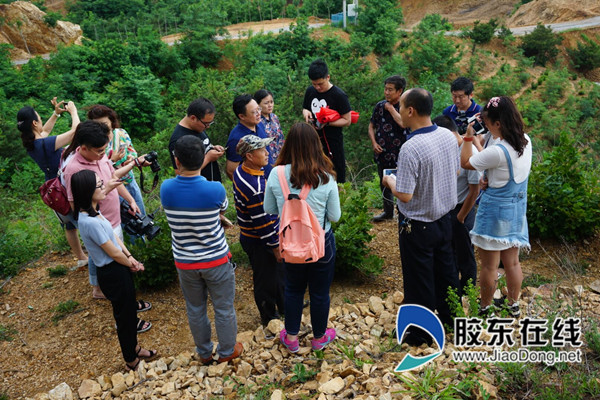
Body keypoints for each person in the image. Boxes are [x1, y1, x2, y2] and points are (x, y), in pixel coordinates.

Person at [382, 88, 460, 346]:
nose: (399, 111)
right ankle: (452, 319)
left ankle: (421, 333)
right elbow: (456, 170)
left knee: (419, 278)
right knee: (446, 271)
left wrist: (389, 181)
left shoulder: (411, 148)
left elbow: (404, 194)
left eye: (401, 107)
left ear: (411, 110)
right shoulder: (448, 136)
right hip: (445, 218)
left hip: (418, 225)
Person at [161, 135, 242, 364]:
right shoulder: (215, 189)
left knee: (195, 308)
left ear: (176, 161)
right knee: (224, 307)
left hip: (185, 262)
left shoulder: (166, 189)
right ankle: (227, 351)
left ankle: (205, 352)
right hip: (215, 259)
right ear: (203, 159)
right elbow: (222, 210)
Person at [264, 122, 341, 353]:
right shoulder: (326, 177)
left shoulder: (276, 174)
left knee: (293, 289)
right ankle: (319, 338)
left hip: (290, 242)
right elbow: (334, 216)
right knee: (319, 292)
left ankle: (292, 338)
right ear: (316, 146)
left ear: (287, 145)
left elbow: (270, 208)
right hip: (320, 243)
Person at [70, 169, 156, 371]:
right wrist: (132, 264)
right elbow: (112, 252)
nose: (104, 188)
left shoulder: (94, 211)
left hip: (119, 268)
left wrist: (130, 257)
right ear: (87, 191)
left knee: (128, 314)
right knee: (124, 319)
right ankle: (131, 361)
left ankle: (135, 348)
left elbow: (115, 240)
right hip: (112, 273)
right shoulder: (88, 221)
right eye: (99, 186)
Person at [460, 96, 532, 317]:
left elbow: (465, 162)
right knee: (512, 262)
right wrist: (490, 177)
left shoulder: (498, 151)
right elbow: (506, 174)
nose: (487, 126)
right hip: (517, 210)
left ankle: (485, 307)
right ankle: (513, 305)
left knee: (490, 266)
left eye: (489, 122)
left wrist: (469, 137)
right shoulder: (526, 141)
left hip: (495, 212)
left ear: (498, 124)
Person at [62, 121, 145, 308]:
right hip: (100, 222)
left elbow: (113, 178)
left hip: (113, 220)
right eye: (100, 151)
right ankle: (107, 292)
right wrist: (105, 191)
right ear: (83, 148)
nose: (103, 155)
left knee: (114, 256)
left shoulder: (99, 157)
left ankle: (117, 291)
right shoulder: (73, 169)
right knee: (107, 260)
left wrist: (130, 200)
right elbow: (76, 204)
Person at [17, 98, 87, 268]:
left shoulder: (32, 144)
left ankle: (81, 257)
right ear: (34, 123)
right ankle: (98, 251)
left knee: (69, 224)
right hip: (64, 186)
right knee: (83, 219)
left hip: (52, 189)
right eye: (39, 118)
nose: (42, 121)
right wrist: (73, 111)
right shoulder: (45, 144)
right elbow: (76, 132)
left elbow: (45, 130)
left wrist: (55, 114)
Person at [232, 135, 284, 332]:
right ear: (250, 156)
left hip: (254, 237)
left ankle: (283, 305)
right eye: (262, 150)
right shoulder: (255, 187)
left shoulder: (242, 170)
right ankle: (269, 317)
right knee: (265, 280)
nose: (267, 153)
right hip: (260, 241)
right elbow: (263, 223)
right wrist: (275, 247)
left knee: (277, 275)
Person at [433, 115, 481, 295]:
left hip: (463, 209)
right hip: (447, 209)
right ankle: (452, 289)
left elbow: (474, 190)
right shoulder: (447, 150)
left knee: (465, 252)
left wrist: (461, 216)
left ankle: (468, 290)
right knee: (449, 250)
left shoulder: (470, 153)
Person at [87, 105, 151, 219]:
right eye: (97, 125)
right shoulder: (95, 144)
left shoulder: (121, 133)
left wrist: (131, 159)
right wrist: (112, 160)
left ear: (111, 122)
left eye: (104, 124)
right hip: (112, 188)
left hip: (130, 181)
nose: (102, 128)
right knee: (125, 219)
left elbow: (131, 150)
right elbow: (98, 168)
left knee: (140, 215)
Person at [302, 59, 351, 183]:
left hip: (333, 143)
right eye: (314, 84)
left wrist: (328, 123)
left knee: (336, 177)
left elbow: (347, 120)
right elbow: (306, 108)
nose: (317, 87)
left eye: (320, 84)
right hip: (313, 142)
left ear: (328, 77)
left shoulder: (339, 95)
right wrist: (306, 113)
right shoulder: (310, 91)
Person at [368, 75, 408, 222]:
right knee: (383, 182)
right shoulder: (379, 106)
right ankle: (388, 211)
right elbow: (371, 126)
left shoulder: (405, 106)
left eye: (390, 90)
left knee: (403, 182)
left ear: (400, 91)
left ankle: (404, 213)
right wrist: (373, 142)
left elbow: (404, 124)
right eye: (385, 89)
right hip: (383, 152)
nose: (387, 92)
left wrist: (391, 109)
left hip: (400, 153)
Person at [169, 98, 225, 181]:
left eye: (210, 123)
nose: (208, 126)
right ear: (193, 118)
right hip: (199, 190)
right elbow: (181, 173)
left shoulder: (197, 127)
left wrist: (213, 148)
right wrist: (208, 158)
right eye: (206, 124)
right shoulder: (178, 139)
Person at [226, 94, 275, 180]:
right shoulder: (236, 138)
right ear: (241, 116)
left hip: (270, 179)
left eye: (258, 109)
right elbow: (231, 170)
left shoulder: (259, 124)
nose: (259, 113)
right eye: (254, 112)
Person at [254, 89, 285, 161]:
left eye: (271, 102)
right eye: (266, 103)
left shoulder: (274, 117)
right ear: (258, 104)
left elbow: (281, 138)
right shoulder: (257, 121)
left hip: (280, 157)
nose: (270, 105)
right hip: (266, 159)